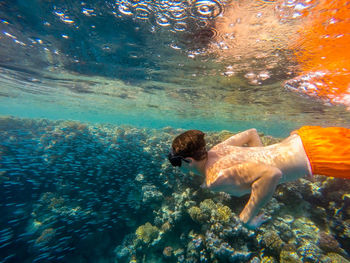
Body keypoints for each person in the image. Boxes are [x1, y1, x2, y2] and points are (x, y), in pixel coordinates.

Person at [168, 127, 350, 229]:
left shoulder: (215, 179)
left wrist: (247, 217)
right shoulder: (218, 149)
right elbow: (252, 133)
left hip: (320, 156)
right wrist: (261, 155)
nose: (177, 167)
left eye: (176, 163)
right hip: (305, 137)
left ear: (188, 160)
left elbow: (272, 173)